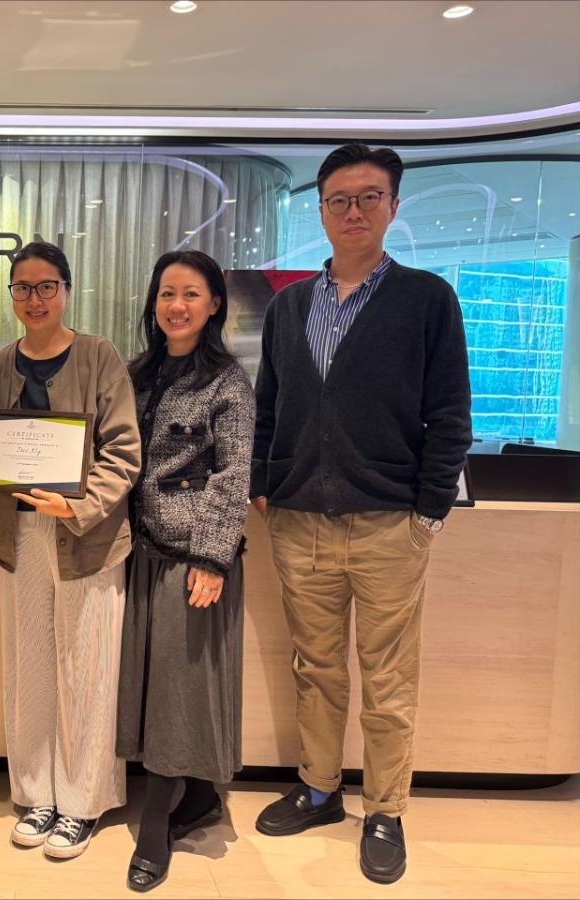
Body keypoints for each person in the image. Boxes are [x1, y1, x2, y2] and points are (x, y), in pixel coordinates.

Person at [250, 144, 471, 884]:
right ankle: (319, 790)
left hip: (388, 526)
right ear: (319, 210)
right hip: (299, 521)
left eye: (368, 198)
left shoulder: (427, 299)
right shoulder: (288, 307)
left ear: (392, 207)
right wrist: (263, 481)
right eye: (339, 199)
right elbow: (269, 407)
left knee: (388, 678)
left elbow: (450, 414)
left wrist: (428, 511)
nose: (352, 212)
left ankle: (385, 810)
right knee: (316, 670)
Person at [0, 241, 141, 859]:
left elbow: (124, 451)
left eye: (46, 286)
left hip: (87, 537)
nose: (34, 298)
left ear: (67, 290)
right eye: (22, 287)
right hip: (18, 535)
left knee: (87, 668)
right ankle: (36, 793)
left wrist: (76, 505)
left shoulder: (100, 357)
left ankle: (80, 803)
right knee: (30, 669)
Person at [115, 250, 254, 892]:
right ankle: (196, 798)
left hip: (191, 559)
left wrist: (212, 555)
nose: (177, 306)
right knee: (155, 686)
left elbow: (232, 474)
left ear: (214, 304)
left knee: (175, 692)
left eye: (192, 294)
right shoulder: (136, 371)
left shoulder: (227, 381)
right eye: (167, 293)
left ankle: (154, 830)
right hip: (136, 551)